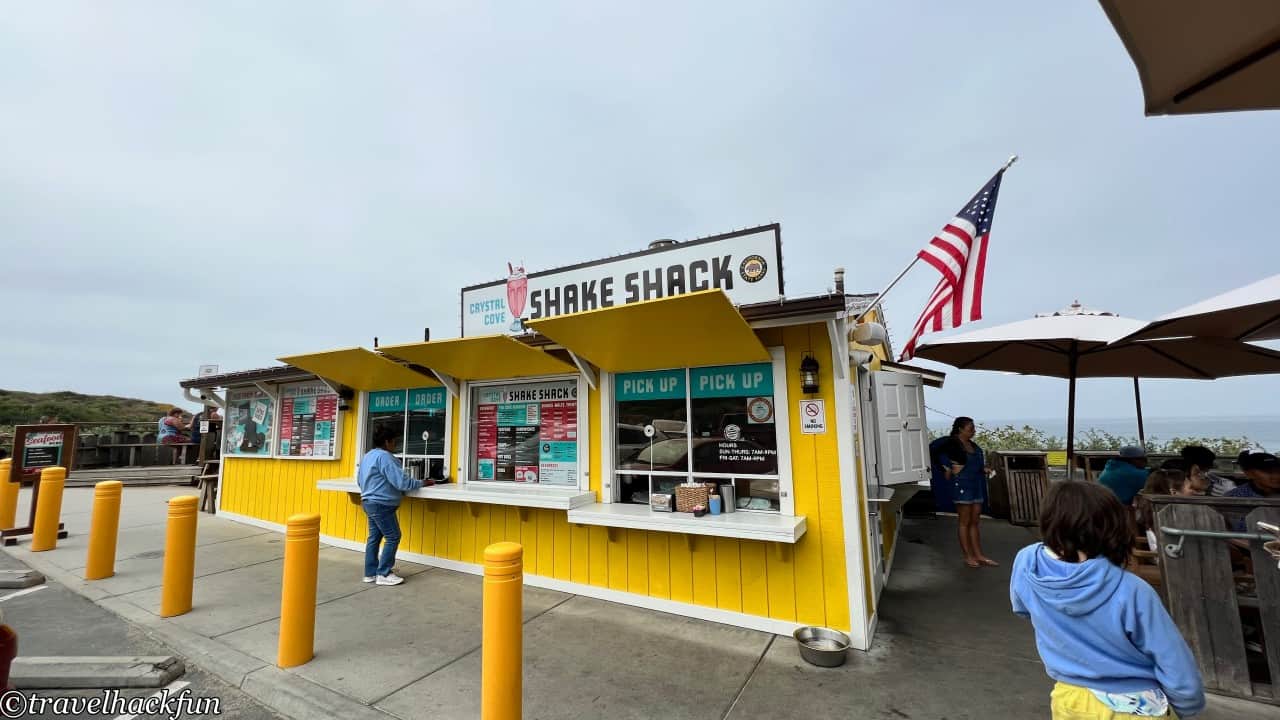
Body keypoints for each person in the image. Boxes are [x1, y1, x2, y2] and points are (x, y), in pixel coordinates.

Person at [1011, 481, 1205, 719]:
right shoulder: (1132, 590)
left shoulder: (1026, 562)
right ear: (1112, 527)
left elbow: (1022, 608)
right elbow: (1173, 659)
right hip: (1135, 706)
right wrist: (1187, 707)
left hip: (1070, 699)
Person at [358, 424, 430, 586]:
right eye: (394, 441)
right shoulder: (385, 457)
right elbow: (402, 482)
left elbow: (360, 480)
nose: (396, 444)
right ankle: (383, 573)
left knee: (374, 538)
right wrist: (423, 482)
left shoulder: (368, 456)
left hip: (368, 502)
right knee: (393, 536)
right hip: (381, 504)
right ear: (387, 441)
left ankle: (370, 573)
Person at [940, 417, 996, 568]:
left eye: (973, 428)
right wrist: (949, 469)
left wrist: (985, 469)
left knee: (975, 522)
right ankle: (968, 556)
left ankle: (979, 555)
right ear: (960, 429)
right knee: (964, 522)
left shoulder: (973, 446)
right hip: (962, 486)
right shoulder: (951, 444)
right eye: (970, 428)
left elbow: (977, 465)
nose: (973, 431)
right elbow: (942, 461)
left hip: (976, 485)